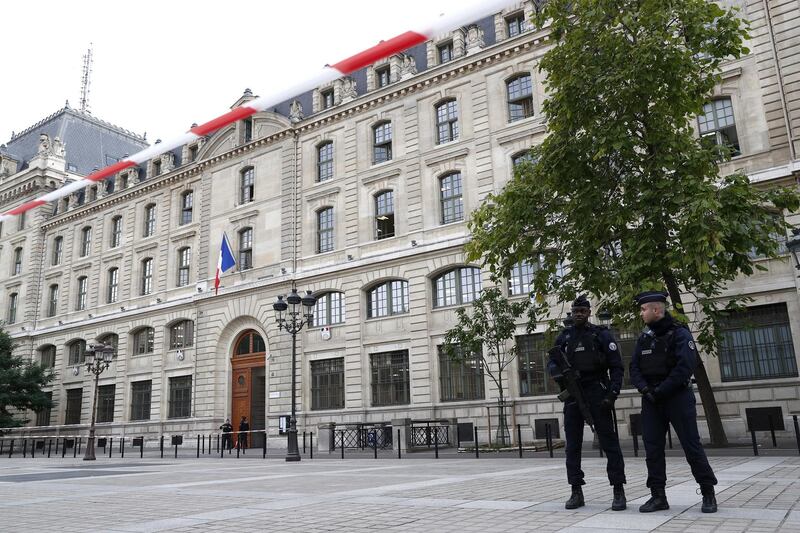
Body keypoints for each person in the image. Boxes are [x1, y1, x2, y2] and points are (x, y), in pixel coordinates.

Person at [630, 290, 717, 513]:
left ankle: (708, 492)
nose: (641, 313)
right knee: (653, 450)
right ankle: (658, 496)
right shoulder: (644, 337)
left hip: (677, 397)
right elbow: (634, 368)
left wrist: (661, 390)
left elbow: (684, 368)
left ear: (656, 310)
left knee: (691, 446)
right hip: (651, 400)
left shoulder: (680, 334)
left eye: (643, 309)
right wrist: (646, 389)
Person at [548, 295, 627, 511]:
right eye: (575, 312)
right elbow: (552, 364)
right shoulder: (564, 337)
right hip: (573, 394)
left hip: (597, 391)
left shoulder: (601, 335)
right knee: (572, 446)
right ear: (571, 313)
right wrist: (563, 377)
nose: (578, 315)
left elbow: (617, 367)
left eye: (582, 311)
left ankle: (618, 490)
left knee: (610, 444)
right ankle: (576, 490)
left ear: (589, 313)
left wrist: (612, 394)